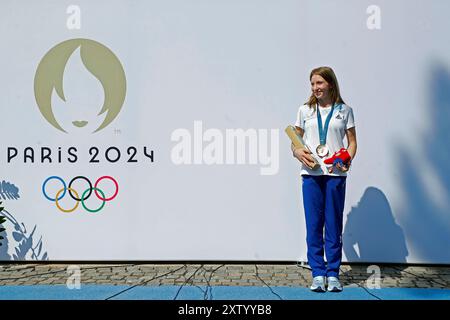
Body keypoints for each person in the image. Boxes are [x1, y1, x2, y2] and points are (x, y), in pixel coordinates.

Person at [291, 66, 357, 292]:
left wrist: (347, 158)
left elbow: (352, 142)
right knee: (313, 225)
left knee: (333, 225)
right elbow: (295, 140)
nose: (315, 88)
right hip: (311, 173)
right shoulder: (305, 110)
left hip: (336, 174)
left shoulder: (345, 110)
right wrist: (296, 151)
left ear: (330, 83)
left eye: (319, 83)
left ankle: (334, 274)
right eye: (312, 84)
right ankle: (318, 273)